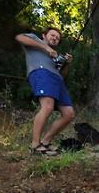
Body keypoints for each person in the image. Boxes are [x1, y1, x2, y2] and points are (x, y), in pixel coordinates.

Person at [15, 27, 76, 156]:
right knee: (47, 107)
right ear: (44, 35)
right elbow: (19, 37)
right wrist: (45, 48)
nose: (55, 38)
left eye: (57, 38)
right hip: (41, 73)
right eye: (53, 35)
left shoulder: (55, 56)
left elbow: (62, 74)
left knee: (69, 114)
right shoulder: (35, 40)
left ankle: (45, 142)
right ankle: (35, 145)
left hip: (57, 80)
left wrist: (67, 64)